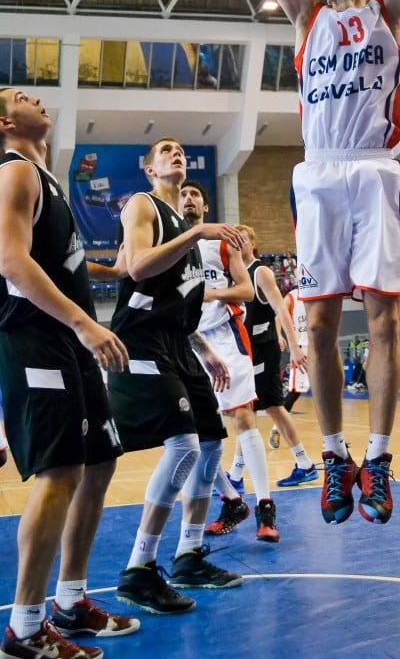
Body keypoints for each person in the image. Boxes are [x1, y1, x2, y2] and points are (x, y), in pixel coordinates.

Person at [256, 0, 400, 525]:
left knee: (382, 319)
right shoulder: (308, 17)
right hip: (319, 175)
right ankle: (333, 456)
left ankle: (379, 460)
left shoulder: (387, 13)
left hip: (374, 170)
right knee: (319, 325)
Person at [0, 87, 139, 659]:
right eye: (18, 94)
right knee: (57, 473)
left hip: (69, 346)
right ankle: (25, 630)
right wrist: (86, 324)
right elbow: (11, 262)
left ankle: (70, 600)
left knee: (99, 462)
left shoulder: (46, 177)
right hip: (39, 341)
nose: (34, 95)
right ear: (6, 120)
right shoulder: (13, 174)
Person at [107, 138, 246, 615]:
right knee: (183, 446)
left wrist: (206, 351)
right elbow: (141, 267)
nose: (177, 152)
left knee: (211, 442)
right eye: (166, 149)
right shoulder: (144, 206)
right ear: (150, 169)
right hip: (140, 341)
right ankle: (138, 569)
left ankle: (188, 554)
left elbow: (180, 308)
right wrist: (198, 232)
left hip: (178, 345)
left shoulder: (185, 232)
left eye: (181, 149)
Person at [179, 180, 279, 542]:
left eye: (195, 195)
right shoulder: (169, 246)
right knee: (191, 434)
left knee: (242, 417)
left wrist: (212, 293)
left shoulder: (220, 243)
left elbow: (246, 290)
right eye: (183, 194)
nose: (188, 198)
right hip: (188, 344)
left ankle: (265, 507)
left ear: (205, 208)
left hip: (225, 337)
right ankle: (232, 499)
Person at [227, 226, 318, 492]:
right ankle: (301, 465)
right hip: (249, 350)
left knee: (267, 407)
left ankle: (301, 465)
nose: (239, 243)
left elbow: (281, 310)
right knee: (253, 410)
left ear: (253, 243)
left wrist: (294, 347)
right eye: (235, 240)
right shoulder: (237, 277)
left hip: (264, 349)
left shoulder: (261, 272)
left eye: (243, 239)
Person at [269, 285, 312, 450]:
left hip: (318, 347)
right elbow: (278, 317)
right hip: (301, 348)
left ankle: (334, 438)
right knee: (295, 392)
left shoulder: (316, 292)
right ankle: (276, 429)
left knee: (329, 390)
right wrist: (279, 335)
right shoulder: (292, 297)